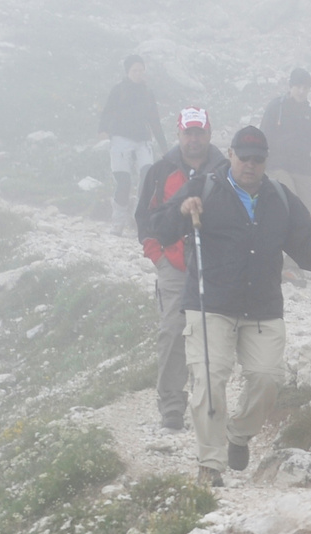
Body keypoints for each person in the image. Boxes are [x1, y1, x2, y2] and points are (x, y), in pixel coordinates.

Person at [152, 126, 311, 488]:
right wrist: (182, 208)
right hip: (210, 304)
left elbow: (305, 242)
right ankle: (210, 464)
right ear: (231, 154)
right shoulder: (204, 188)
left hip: (263, 306)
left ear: (265, 161)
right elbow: (160, 228)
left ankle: (238, 435)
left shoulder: (279, 197)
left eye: (258, 159)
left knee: (269, 380)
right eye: (244, 157)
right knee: (208, 380)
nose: (250, 165)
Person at [134, 107, 222, 431]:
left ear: (209, 133)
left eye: (200, 132)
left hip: (215, 264)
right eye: (189, 132)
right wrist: (155, 254)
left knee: (213, 332)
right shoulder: (160, 171)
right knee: (173, 330)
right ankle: (171, 405)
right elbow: (144, 219)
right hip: (173, 264)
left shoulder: (226, 168)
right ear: (179, 134)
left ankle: (210, 400)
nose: (194, 139)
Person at [261, 68, 311, 281]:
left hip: (303, 169)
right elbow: (263, 133)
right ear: (290, 86)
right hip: (277, 166)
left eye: (305, 87)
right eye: (298, 86)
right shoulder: (276, 108)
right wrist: (259, 162)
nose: (301, 91)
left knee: (306, 214)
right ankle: (278, 263)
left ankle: (293, 266)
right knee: (288, 205)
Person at [98, 55, 168, 235]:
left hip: (143, 141)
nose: (138, 74)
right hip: (120, 140)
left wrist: (164, 147)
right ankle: (118, 223)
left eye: (141, 70)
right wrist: (103, 131)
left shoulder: (147, 93)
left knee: (147, 178)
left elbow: (155, 121)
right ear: (127, 72)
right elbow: (107, 112)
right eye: (134, 70)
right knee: (124, 182)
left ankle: (139, 219)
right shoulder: (118, 90)